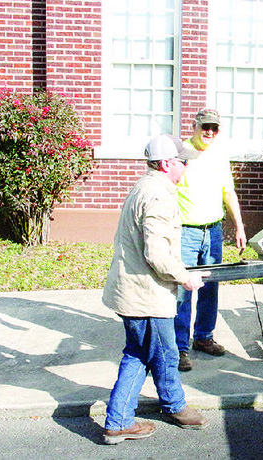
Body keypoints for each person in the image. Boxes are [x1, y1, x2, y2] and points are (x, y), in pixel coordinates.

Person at [102, 134, 211, 445]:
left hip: (133, 290)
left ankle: (124, 419)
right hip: (146, 295)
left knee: (139, 354)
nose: (185, 168)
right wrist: (184, 277)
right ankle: (164, 409)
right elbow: (157, 254)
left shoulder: (146, 185)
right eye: (183, 162)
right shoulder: (159, 196)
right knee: (164, 353)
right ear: (167, 164)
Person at [174, 109, 247, 372]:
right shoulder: (181, 152)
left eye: (214, 128)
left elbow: (229, 192)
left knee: (210, 287)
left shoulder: (218, 155)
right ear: (194, 126)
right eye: (205, 127)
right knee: (183, 288)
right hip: (186, 232)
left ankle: (203, 337)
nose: (209, 132)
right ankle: (179, 346)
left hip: (213, 231)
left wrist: (239, 226)